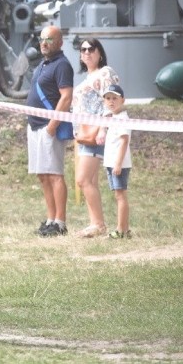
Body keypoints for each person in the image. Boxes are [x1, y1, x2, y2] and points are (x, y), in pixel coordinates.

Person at [26, 25, 74, 237]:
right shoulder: (43, 64)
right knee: (43, 175)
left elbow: (66, 97)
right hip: (34, 126)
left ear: (60, 42)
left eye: (50, 39)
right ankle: (50, 218)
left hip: (48, 128)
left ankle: (60, 222)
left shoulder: (62, 65)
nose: (44, 43)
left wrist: (52, 126)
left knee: (55, 174)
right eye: (42, 39)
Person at [71, 38, 119, 238]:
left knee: (82, 180)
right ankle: (95, 223)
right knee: (90, 180)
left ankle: (98, 224)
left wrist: (102, 129)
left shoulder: (105, 73)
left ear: (99, 52)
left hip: (97, 133)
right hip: (84, 134)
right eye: (83, 50)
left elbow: (111, 101)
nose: (87, 52)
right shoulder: (87, 78)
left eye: (91, 49)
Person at [101, 84, 133, 239]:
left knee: (120, 196)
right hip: (111, 163)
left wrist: (118, 163)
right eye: (108, 98)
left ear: (123, 100)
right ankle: (125, 230)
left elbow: (124, 142)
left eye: (115, 98)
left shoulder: (122, 119)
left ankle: (120, 230)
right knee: (119, 195)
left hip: (118, 164)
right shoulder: (113, 118)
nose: (111, 101)